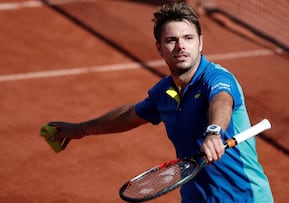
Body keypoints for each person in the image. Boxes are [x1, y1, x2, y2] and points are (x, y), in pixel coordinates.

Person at [48, 2, 274, 203]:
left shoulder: (217, 78)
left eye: (188, 38)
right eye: (171, 40)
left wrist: (214, 131)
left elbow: (222, 102)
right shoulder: (163, 92)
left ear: (200, 43)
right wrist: (80, 129)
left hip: (245, 197)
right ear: (159, 48)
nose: (181, 46)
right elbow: (128, 116)